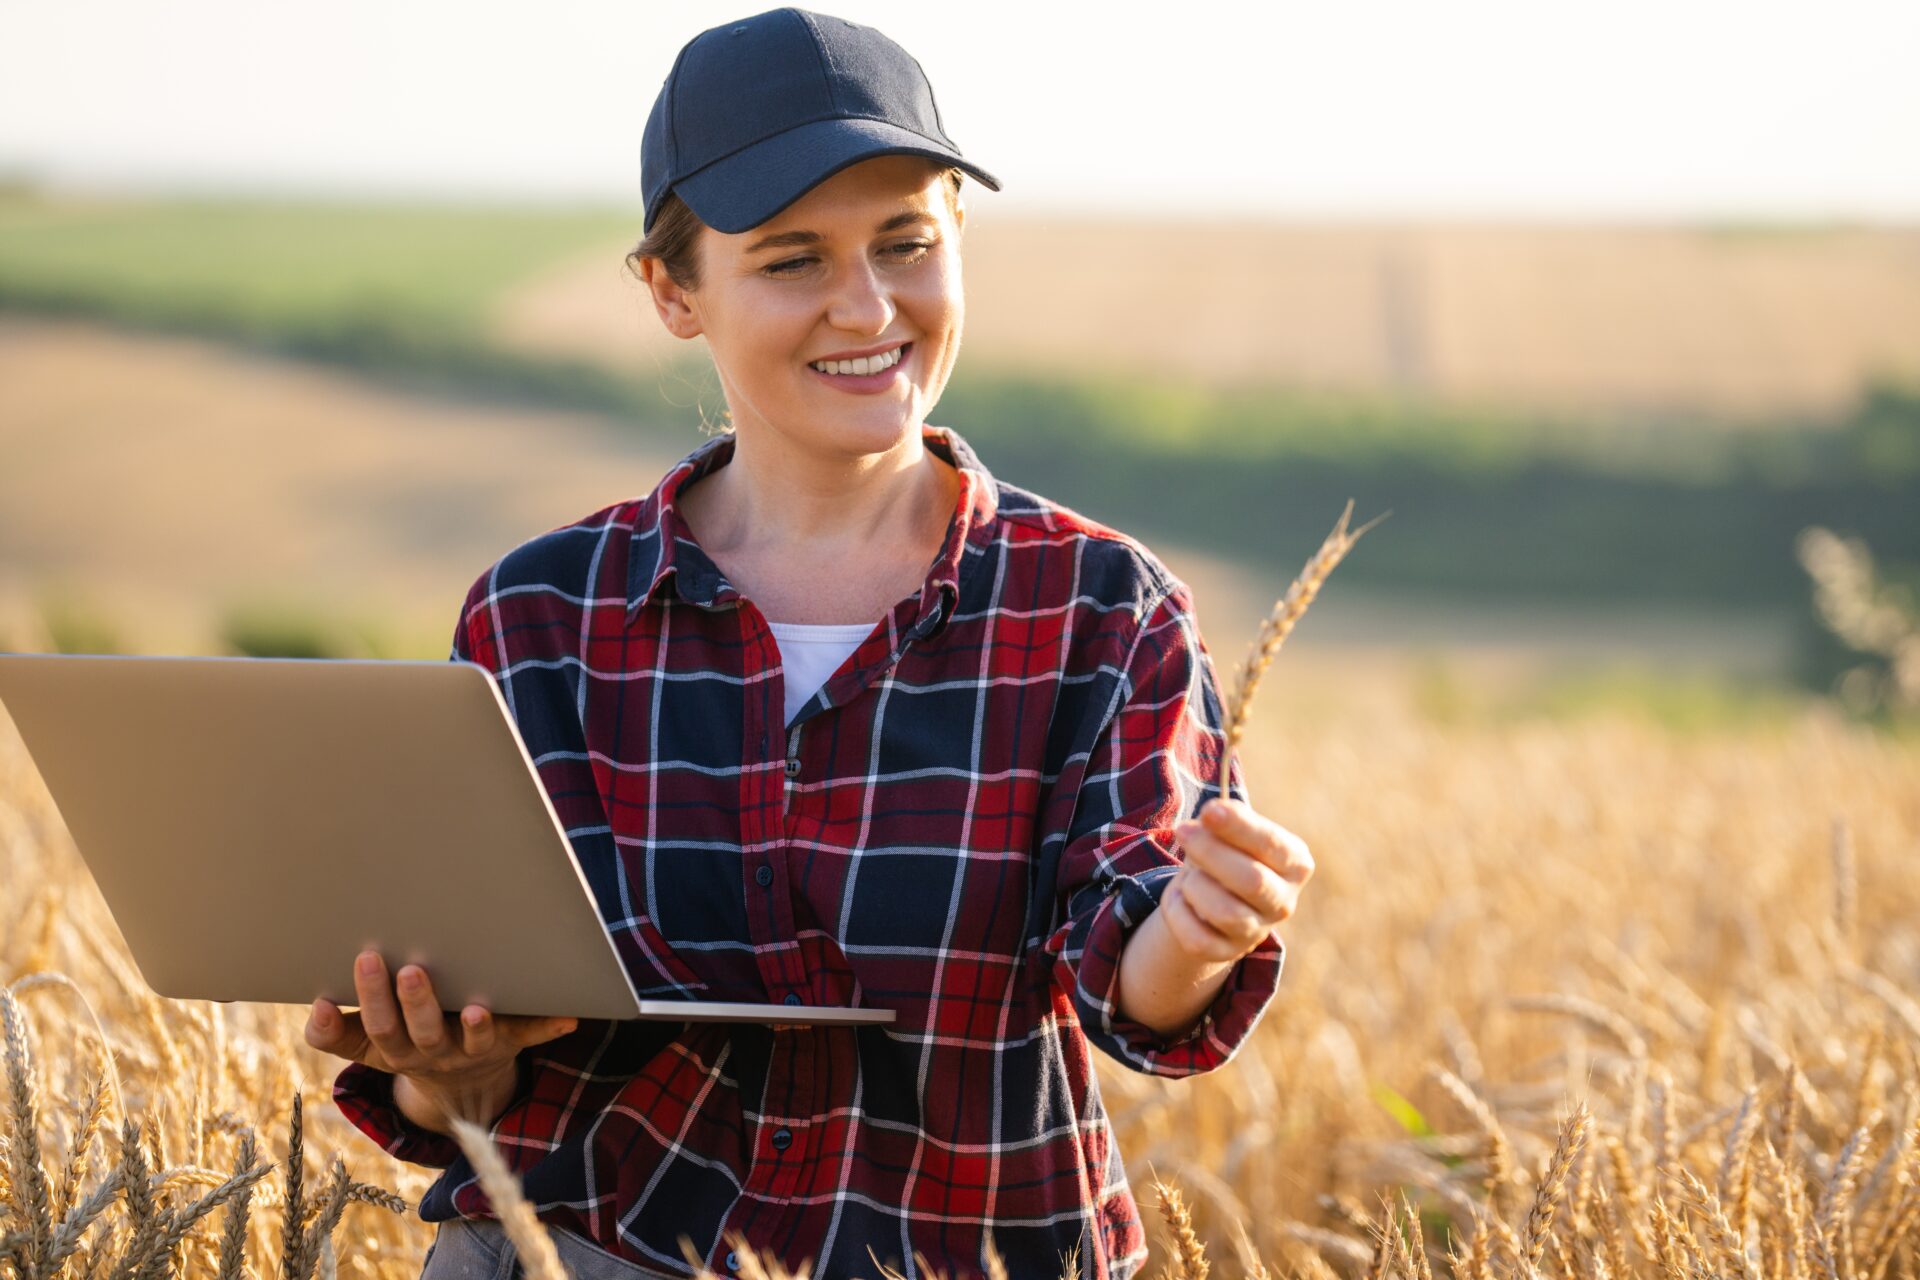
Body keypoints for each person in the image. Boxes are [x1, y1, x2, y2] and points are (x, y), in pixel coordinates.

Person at [307, 7, 1314, 1278]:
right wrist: (445, 1065)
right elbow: (485, 1098)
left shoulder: (1103, 608)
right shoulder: (539, 616)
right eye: (792, 259)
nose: (867, 305)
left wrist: (1199, 926)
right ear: (673, 289)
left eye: (907, 243)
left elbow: (1133, 981)